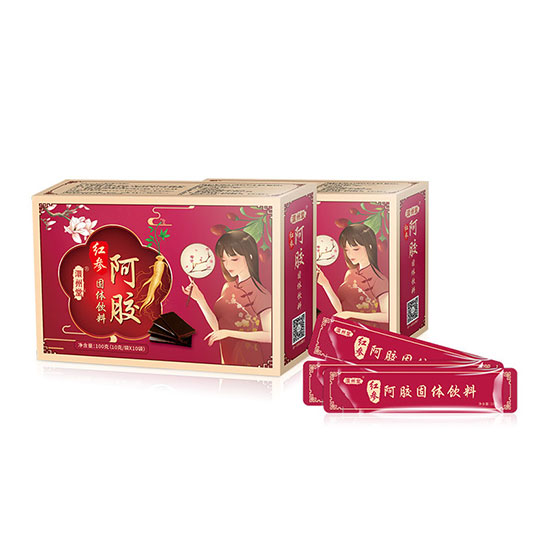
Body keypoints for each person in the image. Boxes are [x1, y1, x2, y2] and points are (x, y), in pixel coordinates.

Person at [182, 230, 272, 367]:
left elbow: (271, 336)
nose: (228, 265)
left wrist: (229, 334)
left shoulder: (260, 293)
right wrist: (200, 299)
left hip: (249, 360)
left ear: (250, 256)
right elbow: (218, 329)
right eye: (224, 260)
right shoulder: (228, 287)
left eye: (234, 259)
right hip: (227, 359)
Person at [317, 223, 389, 330]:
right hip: (347, 330)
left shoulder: (378, 279)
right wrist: (325, 284)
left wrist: (350, 315)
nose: (350, 255)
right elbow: (341, 311)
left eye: (355, 249)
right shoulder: (350, 273)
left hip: (367, 332)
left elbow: (388, 316)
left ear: (369, 246)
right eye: (346, 250)